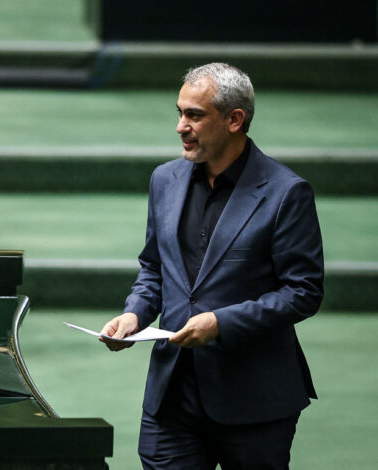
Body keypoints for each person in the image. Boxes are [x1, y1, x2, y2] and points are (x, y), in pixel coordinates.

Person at [100, 63, 323, 469]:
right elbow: (155, 268)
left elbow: (302, 292)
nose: (180, 127)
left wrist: (220, 323)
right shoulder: (164, 180)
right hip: (172, 394)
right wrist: (135, 313)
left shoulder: (286, 192)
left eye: (195, 115)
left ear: (234, 120)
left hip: (254, 401)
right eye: (180, 113)